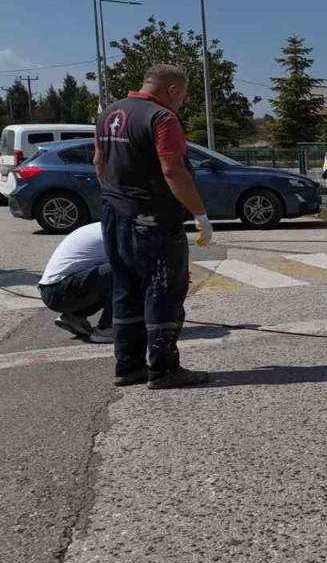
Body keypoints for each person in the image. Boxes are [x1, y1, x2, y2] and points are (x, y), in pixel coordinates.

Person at [94, 64, 213, 389]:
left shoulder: (109, 113)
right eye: (182, 96)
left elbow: (99, 162)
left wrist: (118, 198)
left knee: (126, 289)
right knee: (163, 290)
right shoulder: (161, 118)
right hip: (153, 219)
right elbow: (172, 169)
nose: (181, 102)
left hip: (115, 216)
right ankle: (163, 369)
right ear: (172, 90)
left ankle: (128, 366)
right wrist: (199, 214)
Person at [38, 223, 113, 344]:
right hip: (59, 290)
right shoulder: (117, 232)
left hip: (54, 289)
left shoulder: (107, 225)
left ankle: (75, 316)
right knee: (123, 271)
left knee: (113, 274)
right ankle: (107, 328)